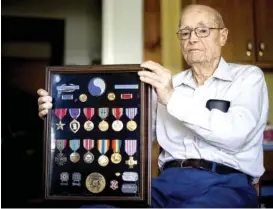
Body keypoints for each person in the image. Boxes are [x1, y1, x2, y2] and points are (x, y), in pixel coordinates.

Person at [37, 4, 269, 208]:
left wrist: (171, 97)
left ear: (223, 36)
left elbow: (236, 135)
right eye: (185, 32)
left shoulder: (248, 77)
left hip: (226, 184)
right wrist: (62, 113)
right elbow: (129, 133)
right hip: (165, 183)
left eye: (203, 30)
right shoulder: (167, 84)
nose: (192, 39)